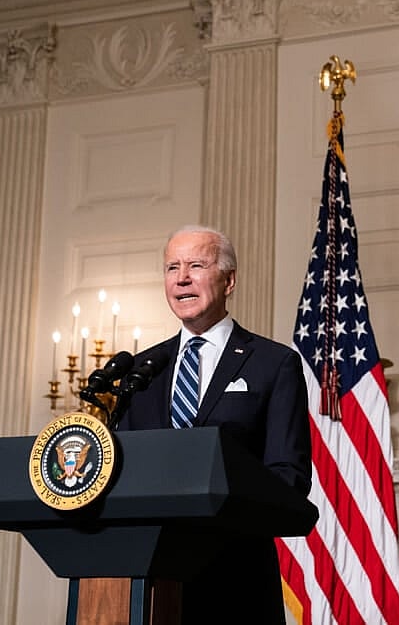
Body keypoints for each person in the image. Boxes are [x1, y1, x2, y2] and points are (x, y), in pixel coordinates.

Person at [117, 225, 312, 624]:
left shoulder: (272, 364)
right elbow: (123, 468)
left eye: (196, 265)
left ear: (229, 280)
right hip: (149, 580)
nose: (182, 278)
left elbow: (288, 475)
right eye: (172, 267)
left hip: (234, 577)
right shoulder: (141, 369)